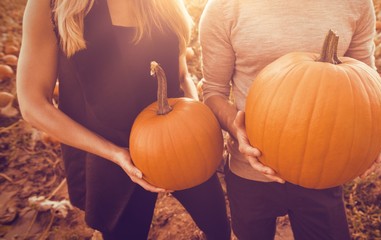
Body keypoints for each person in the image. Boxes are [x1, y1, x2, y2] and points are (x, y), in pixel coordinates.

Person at [16, 0, 231, 239]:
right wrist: (114, 153)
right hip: (107, 155)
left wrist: (197, 122)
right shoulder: (50, 5)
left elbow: (180, 75)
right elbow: (33, 104)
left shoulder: (165, 4)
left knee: (218, 226)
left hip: (179, 140)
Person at [199, 0, 381, 239]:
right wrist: (237, 129)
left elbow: (366, 80)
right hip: (250, 166)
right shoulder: (224, 7)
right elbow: (213, 92)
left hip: (326, 166)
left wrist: (376, 130)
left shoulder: (356, 4)